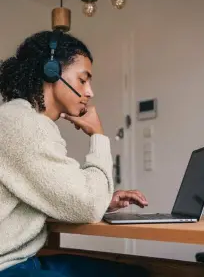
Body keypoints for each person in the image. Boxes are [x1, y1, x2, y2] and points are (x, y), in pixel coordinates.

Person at [0, 30, 149, 276]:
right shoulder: (25, 125)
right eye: (83, 79)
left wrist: (102, 201)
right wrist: (98, 136)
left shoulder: (17, 118)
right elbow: (87, 205)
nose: (90, 92)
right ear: (52, 71)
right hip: (9, 268)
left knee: (134, 271)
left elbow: (57, 194)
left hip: (17, 261)